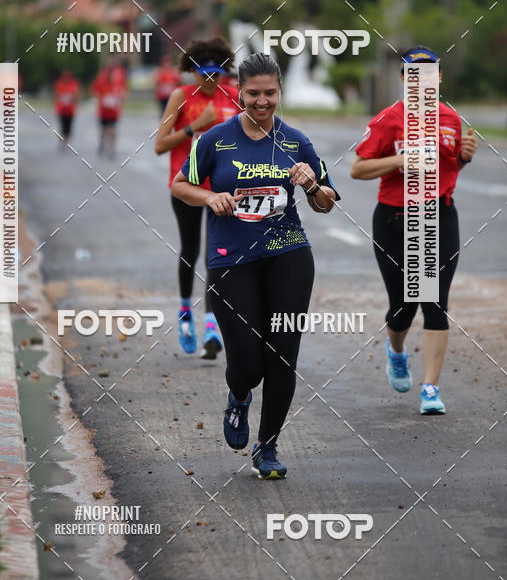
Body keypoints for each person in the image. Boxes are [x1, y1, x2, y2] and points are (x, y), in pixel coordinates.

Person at [171, 52, 339, 479]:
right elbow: (180, 185)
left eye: (269, 94)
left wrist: (313, 184)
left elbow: (326, 204)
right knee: (247, 364)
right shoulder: (215, 139)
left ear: (279, 91)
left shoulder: (297, 141)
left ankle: (267, 448)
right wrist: (210, 197)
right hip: (232, 261)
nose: (261, 102)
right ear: (239, 92)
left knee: (282, 356)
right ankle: (239, 395)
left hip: (289, 254)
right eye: (253, 94)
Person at [350, 45, 478, 415]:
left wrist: (465, 156)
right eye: (413, 74)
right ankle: (397, 350)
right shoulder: (389, 119)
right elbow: (358, 169)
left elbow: (450, 168)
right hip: (393, 218)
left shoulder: (451, 119)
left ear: (439, 77)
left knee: (435, 302)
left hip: (439, 215)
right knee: (403, 306)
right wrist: (400, 160)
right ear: (404, 79)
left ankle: (431, 389)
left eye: (430, 73)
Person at [155, 37, 239, 359]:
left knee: (216, 255)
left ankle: (211, 325)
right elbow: (160, 145)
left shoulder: (233, 98)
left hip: (221, 189)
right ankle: (185, 313)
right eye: (203, 74)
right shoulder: (181, 97)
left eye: (216, 75)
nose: (209, 81)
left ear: (224, 73)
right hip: (187, 186)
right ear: (192, 71)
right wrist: (194, 128)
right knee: (190, 248)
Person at [91, 60, 127, 157]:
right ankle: (102, 142)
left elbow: (122, 95)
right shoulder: (102, 84)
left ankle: (112, 149)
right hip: (103, 112)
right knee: (104, 131)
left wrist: (121, 102)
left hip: (113, 112)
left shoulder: (117, 86)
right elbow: (95, 93)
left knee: (112, 131)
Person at [54, 69, 80, 147]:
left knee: (69, 127)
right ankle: (61, 140)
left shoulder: (74, 84)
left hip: (70, 110)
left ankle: (66, 141)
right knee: (62, 126)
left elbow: (76, 95)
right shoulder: (59, 83)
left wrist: (72, 98)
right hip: (62, 109)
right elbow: (57, 95)